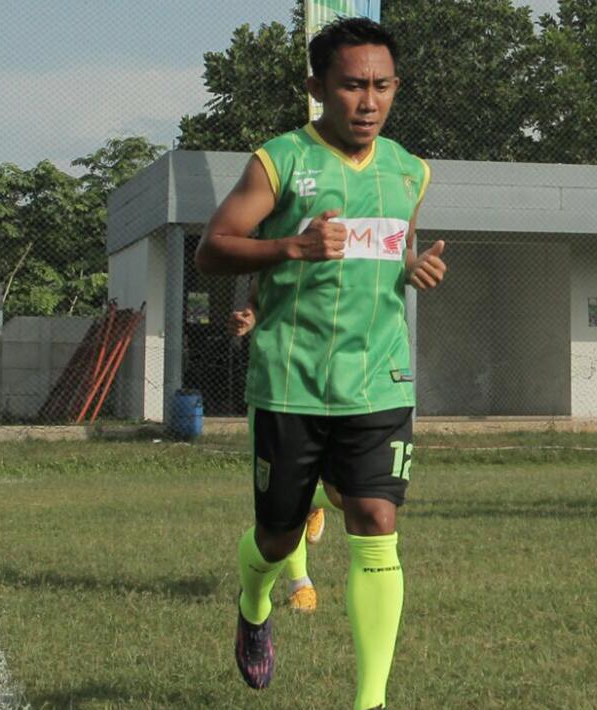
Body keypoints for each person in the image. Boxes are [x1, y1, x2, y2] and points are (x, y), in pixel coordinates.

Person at [195, 17, 447, 707]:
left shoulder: (410, 171)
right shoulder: (278, 161)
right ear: (317, 87)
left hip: (379, 379)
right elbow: (212, 248)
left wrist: (413, 268)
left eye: (382, 86)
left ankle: (370, 702)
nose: (368, 102)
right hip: (291, 382)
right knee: (277, 538)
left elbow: (392, 254)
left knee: (375, 519)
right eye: (351, 86)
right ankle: (253, 605)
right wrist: (288, 249)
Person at [228, 282, 346, 613]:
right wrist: (251, 316)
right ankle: (300, 583)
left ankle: (313, 501)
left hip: (343, 383)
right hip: (280, 389)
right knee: (282, 513)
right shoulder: (285, 238)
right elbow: (262, 288)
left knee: (349, 496)